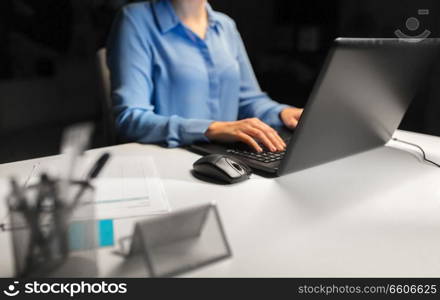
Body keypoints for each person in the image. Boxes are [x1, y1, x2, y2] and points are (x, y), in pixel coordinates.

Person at [107, 0, 303, 153]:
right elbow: (130, 118)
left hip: (226, 160)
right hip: (168, 162)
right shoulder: (135, 19)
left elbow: (247, 99)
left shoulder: (225, 25)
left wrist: (282, 113)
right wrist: (210, 129)